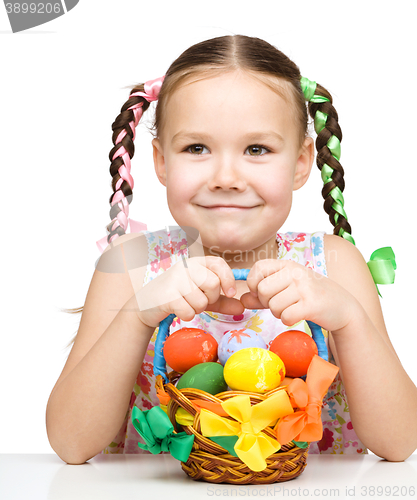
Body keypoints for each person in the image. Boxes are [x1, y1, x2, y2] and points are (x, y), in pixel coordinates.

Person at [45, 35, 417, 464]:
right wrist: (140, 314)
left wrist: (349, 320)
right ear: (162, 162)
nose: (226, 176)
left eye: (257, 149)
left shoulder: (333, 264)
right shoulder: (130, 264)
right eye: (196, 148)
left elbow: (400, 440)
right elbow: (71, 444)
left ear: (301, 163)